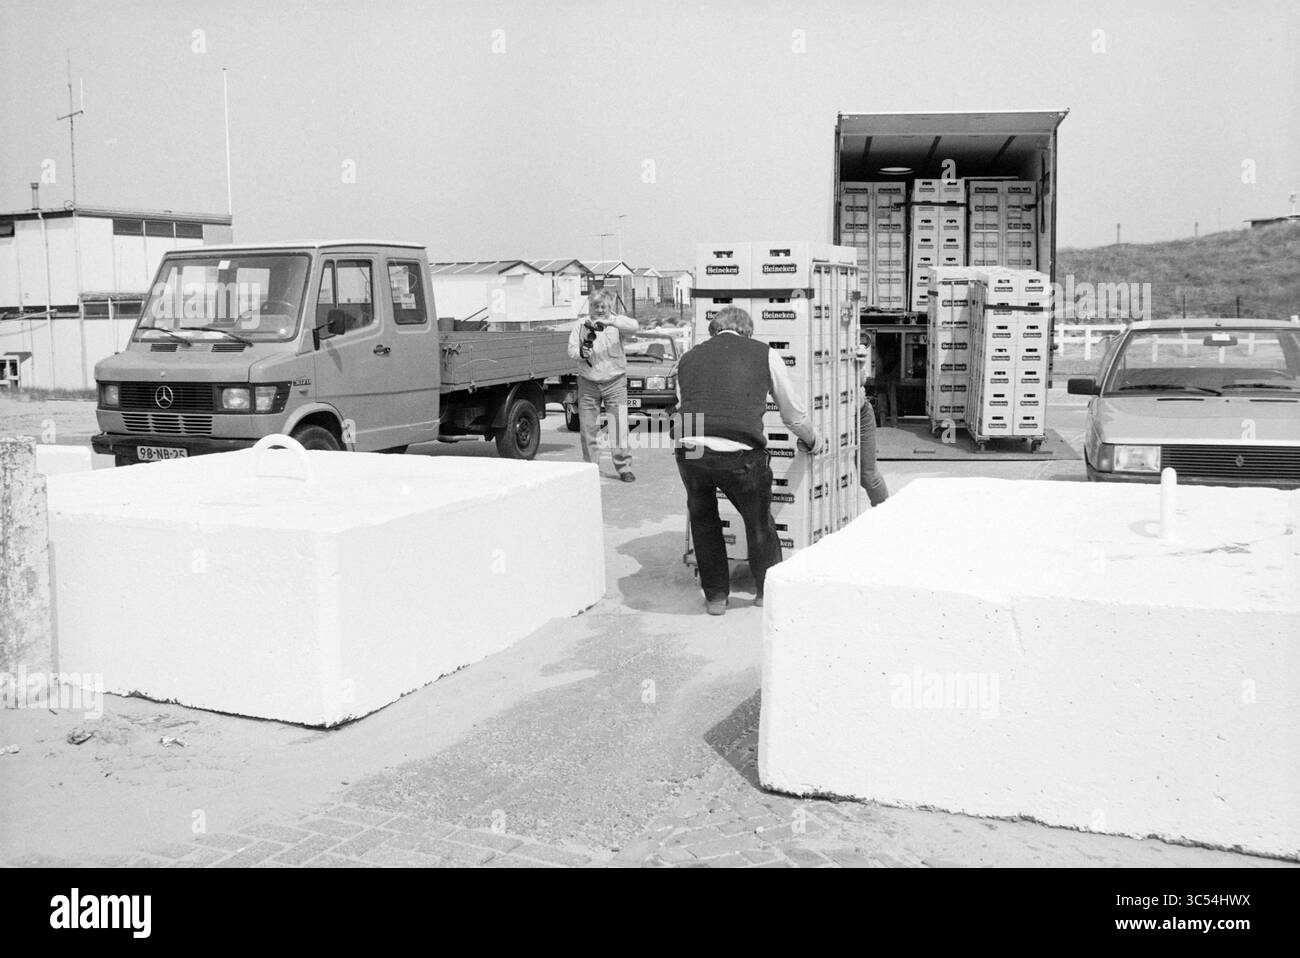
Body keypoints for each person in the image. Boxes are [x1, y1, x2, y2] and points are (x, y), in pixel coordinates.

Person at [673, 306, 826, 616]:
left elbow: (684, 404)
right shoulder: (763, 354)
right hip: (738, 449)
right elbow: (792, 413)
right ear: (747, 331)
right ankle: (765, 594)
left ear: (714, 330)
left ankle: (716, 598)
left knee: (703, 520)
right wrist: (812, 440)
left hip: (690, 449)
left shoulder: (687, 358)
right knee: (758, 522)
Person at [567, 288, 638, 481]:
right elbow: (571, 350)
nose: (599, 309)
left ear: (609, 306)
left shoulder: (617, 323)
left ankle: (624, 468)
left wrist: (611, 321)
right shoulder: (581, 324)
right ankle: (591, 468)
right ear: (589, 306)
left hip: (615, 382)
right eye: (595, 306)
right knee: (589, 428)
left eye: (603, 306)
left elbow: (635, 327)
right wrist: (582, 353)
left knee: (619, 427)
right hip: (588, 382)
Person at [855, 342, 890, 506]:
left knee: (868, 476)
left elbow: (862, 379)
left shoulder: (845, 337)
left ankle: (885, 513)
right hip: (828, 417)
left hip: (860, 414)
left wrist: (859, 364)